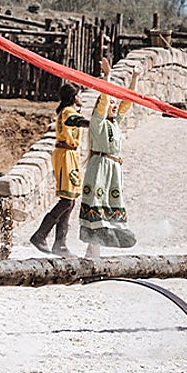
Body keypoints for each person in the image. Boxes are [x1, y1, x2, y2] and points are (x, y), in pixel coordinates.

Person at [79, 58, 139, 258]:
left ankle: (106, 238)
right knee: (97, 201)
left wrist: (135, 77)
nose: (114, 106)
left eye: (115, 103)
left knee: (111, 201)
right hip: (100, 168)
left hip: (113, 168)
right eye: (111, 103)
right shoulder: (98, 122)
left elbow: (127, 102)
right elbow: (104, 102)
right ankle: (94, 246)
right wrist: (107, 77)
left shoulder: (115, 123)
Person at [29, 82, 87, 257]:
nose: (82, 97)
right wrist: (94, 123)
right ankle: (40, 235)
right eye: (80, 94)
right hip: (65, 156)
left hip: (71, 155)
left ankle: (60, 243)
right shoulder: (68, 112)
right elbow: (76, 121)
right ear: (74, 97)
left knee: (71, 201)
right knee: (66, 200)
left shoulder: (71, 111)